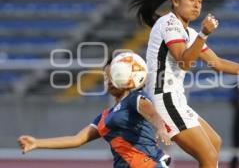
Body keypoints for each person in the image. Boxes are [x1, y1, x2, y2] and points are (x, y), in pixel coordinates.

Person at [130, 0, 239, 168]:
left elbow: (218, 64)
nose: (197, 4)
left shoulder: (188, 33)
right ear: (175, 1)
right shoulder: (169, 24)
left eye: (200, 0)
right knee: (208, 155)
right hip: (163, 98)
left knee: (214, 144)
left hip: (176, 99)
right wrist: (204, 34)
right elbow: (184, 62)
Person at [18, 60, 172, 168]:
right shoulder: (104, 116)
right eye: (106, 77)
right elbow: (76, 139)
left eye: (114, 75)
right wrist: (37, 143)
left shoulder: (134, 98)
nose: (109, 80)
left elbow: (152, 113)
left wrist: (160, 127)